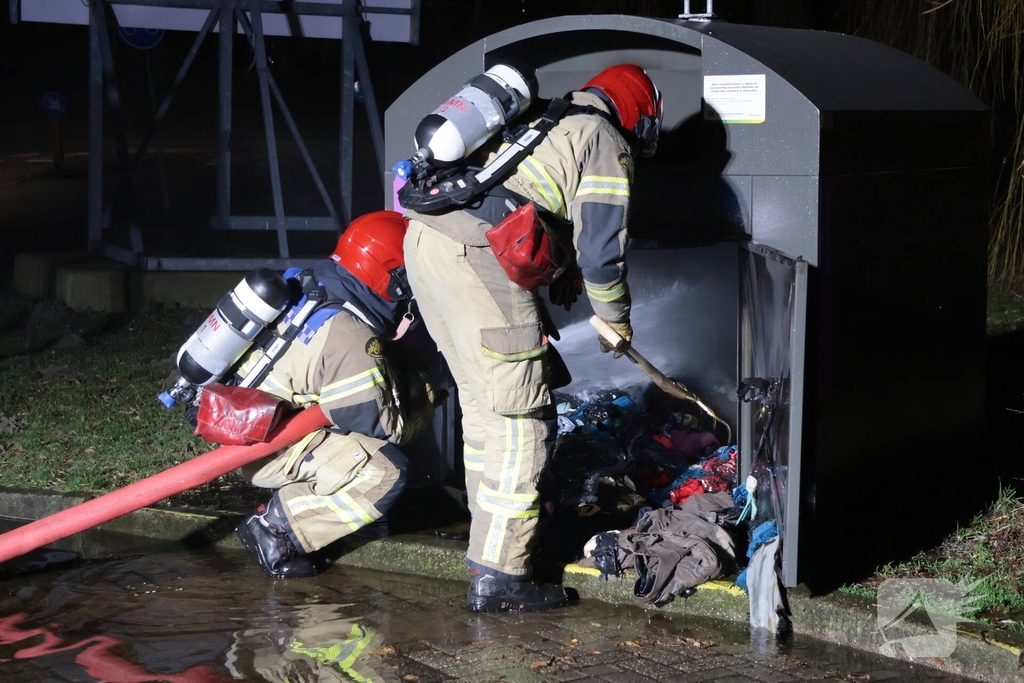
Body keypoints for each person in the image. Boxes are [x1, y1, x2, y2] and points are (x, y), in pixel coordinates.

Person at [401, 64, 663, 612]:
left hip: (426, 241)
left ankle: (488, 545)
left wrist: (558, 267)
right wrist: (615, 319)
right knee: (522, 420)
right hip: (475, 259)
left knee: (484, 409)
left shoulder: (545, 117)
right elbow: (603, 250)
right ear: (637, 111)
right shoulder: (605, 139)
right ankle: (502, 579)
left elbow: (520, 198)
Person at [228, 210, 433, 579]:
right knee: (385, 470)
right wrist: (429, 392)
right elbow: (380, 425)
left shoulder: (313, 283)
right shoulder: (350, 337)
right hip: (270, 449)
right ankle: (279, 528)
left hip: (251, 426)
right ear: (395, 280)